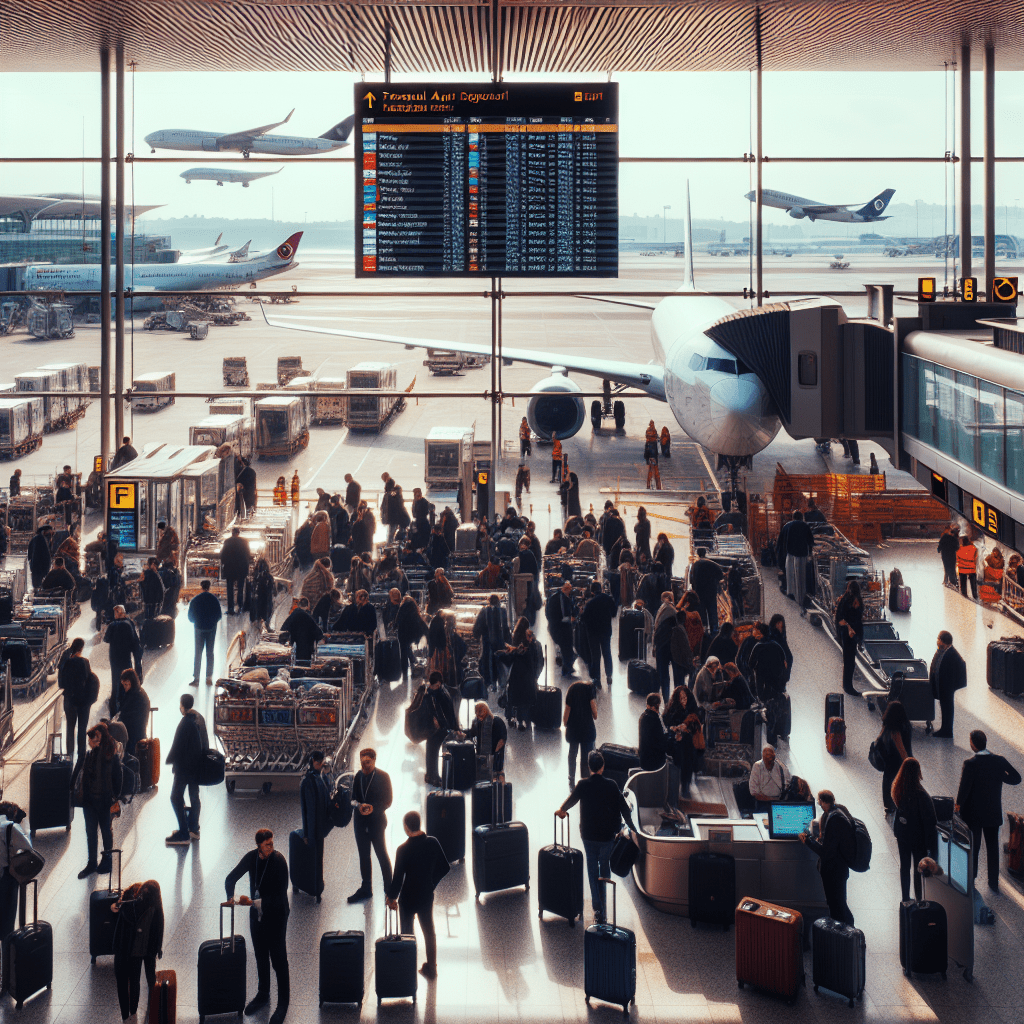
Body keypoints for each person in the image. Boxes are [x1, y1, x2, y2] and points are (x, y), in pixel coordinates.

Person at [556, 750, 637, 924]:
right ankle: (604, 906)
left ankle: (598, 910)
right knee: (604, 869)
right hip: (607, 836)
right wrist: (632, 829)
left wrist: (562, 810)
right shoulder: (612, 785)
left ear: (589, 767)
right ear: (603, 766)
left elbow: (571, 800)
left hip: (588, 835)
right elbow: (624, 808)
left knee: (592, 871)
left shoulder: (583, 784)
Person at [225, 829, 290, 1024]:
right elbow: (231, 877)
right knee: (261, 955)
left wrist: (253, 903)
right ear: (259, 846)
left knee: (278, 959)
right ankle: (263, 992)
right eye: (267, 844)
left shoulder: (279, 862)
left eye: (272, 843)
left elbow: (280, 898)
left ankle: (283, 1002)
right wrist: (230, 897)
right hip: (258, 916)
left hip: (277, 915)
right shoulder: (252, 858)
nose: (272, 846)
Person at [956, 729, 1023, 891]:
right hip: (993, 813)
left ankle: (972, 879)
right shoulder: (999, 760)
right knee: (993, 848)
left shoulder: (970, 763)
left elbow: (964, 789)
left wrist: (958, 806)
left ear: (973, 744)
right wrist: (1000, 776)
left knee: (975, 847)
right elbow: (1016, 778)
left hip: (974, 815)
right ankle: (993, 881)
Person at [387, 810, 450, 980]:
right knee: (429, 931)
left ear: (407, 828)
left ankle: (408, 969)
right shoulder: (433, 842)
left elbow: (398, 879)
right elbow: (445, 867)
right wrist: (431, 883)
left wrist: (391, 897)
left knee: (407, 933)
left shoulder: (403, 850)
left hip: (408, 898)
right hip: (425, 895)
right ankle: (431, 968)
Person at [111, 879, 164, 1023]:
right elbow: (159, 926)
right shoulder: (149, 907)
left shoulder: (129, 906)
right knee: (133, 982)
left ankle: (127, 1018)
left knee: (123, 984)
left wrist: (116, 905)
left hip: (125, 950)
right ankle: (132, 1015)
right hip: (134, 951)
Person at [800, 789, 855, 926]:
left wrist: (808, 840)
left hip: (833, 871)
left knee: (836, 904)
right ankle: (848, 934)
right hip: (841, 868)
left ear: (822, 801)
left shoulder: (833, 819)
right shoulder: (840, 811)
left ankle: (846, 934)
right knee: (839, 902)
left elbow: (826, 852)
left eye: (819, 801)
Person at [347, 747, 393, 903]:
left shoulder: (383, 777)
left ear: (374, 760)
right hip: (360, 822)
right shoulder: (358, 776)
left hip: (377, 822)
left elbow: (388, 801)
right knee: (364, 856)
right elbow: (353, 798)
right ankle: (366, 888)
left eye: (367, 762)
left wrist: (374, 808)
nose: (364, 765)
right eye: (362, 762)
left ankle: (389, 889)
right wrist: (358, 806)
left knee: (381, 854)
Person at [77, 722, 123, 878]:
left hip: (104, 802)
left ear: (100, 738)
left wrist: (113, 797)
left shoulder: (112, 756)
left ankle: (107, 859)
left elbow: (118, 780)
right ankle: (91, 863)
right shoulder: (89, 755)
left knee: (105, 831)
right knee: (91, 832)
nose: (89, 741)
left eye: (93, 738)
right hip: (89, 802)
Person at [891, 758, 937, 902]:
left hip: (903, 835)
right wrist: (932, 844)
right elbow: (930, 821)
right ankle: (919, 898)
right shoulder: (922, 795)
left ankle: (905, 897)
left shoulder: (898, 790)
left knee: (904, 867)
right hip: (918, 838)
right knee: (919, 868)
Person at [165, 692, 208, 846]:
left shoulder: (185, 723)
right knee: (194, 795)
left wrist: (170, 760)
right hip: (196, 765)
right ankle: (194, 828)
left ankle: (184, 832)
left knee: (176, 797)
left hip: (185, 767)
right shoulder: (199, 718)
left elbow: (178, 746)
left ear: (183, 706)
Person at [501, 618, 544, 730]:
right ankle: (526, 719)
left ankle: (516, 720)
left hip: (516, 672)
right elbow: (534, 656)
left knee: (517, 697)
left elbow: (511, 656)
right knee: (526, 698)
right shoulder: (530, 640)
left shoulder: (514, 639)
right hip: (527, 672)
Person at [59, 638, 97, 764]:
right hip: (83, 702)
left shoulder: (65, 662)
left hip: (69, 701)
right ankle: (81, 757)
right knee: (82, 728)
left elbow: (61, 683)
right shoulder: (84, 662)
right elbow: (88, 679)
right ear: (81, 648)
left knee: (70, 727)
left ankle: (69, 756)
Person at [300, 751, 331, 901]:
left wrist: (327, 773)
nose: (320, 766)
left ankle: (317, 887)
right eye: (318, 764)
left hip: (319, 828)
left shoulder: (320, 778)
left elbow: (329, 792)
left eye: (322, 763)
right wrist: (306, 834)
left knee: (318, 858)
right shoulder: (308, 782)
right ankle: (314, 887)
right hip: (314, 829)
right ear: (313, 762)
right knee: (314, 859)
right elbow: (306, 811)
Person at [0, 802, 30, 946]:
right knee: (7, 921)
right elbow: (28, 848)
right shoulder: (11, 828)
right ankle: (6, 960)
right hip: (5, 880)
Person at [875, 700, 912, 814]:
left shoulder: (891, 727)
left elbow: (879, 740)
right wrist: (909, 761)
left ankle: (890, 805)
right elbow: (903, 748)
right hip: (904, 758)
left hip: (893, 761)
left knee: (889, 782)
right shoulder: (906, 725)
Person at [104, 605, 143, 715]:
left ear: (117, 613)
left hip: (115, 659)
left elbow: (106, 639)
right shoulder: (129, 623)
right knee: (125, 680)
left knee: (116, 681)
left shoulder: (112, 625)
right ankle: (124, 705)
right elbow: (134, 641)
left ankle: (114, 709)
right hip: (126, 657)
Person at [929, 630, 967, 738]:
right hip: (943, 687)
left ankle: (947, 731)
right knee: (944, 708)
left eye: (938, 639)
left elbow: (961, 666)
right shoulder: (944, 651)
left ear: (942, 641)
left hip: (947, 687)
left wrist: (954, 685)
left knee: (947, 709)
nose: (937, 641)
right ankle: (944, 729)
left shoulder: (951, 653)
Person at [422, 671, 456, 786]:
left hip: (440, 728)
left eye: (435, 685)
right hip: (435, 727)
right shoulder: (437, 692)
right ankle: (432, 775)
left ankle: (432, 775)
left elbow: (450, 712)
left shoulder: (441, 694)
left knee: (433, 750)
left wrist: (452, 726)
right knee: (431, 750)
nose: (433, 687)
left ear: (440, 683)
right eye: (432, 685)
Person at [564, 676, 598, 790]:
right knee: (586, 755)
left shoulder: (571, 689)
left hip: (573, 729)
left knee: (572, 753)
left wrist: (565, 723)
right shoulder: (590, 689)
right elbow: (594, 709)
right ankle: (585, 778)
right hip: (587, 728)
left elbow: (567, 708)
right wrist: (594, 715)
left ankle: (571, 779)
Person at [187, 578, 222, 686]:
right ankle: (209, 678)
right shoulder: (214, 599)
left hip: (199, 629)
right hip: (211, 629)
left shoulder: (195, 600)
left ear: (201, 587)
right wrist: (212, 623)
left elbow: (190, 617)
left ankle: (196, 679)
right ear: (209, 587)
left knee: (198, 653)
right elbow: (219, 615)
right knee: (210, 653)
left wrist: (196, 622)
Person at [474, 593, 512, 691]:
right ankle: (501, 685)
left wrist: (477, 636)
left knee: (489, 664)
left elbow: (477, 628)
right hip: (500, 643)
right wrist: (509, 643)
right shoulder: (502, 611)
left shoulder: (484, 611)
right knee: (499, 664)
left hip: (488, 644)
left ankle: (492, 684)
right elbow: (506, 629)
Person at [580, 581, 616, 686]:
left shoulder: (590, 603)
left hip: (593, 633)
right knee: (607, 653)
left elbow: (583, 618)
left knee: (595, 655)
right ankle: (609, 675)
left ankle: (597, 679)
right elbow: (614, 613)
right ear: (602, 589)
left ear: (592, 592)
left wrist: (581, 612)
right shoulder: (608, 599)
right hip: (606, 631)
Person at [460, 701, 508, 776]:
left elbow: (502, 738)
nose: (477, 715)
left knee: (497, 774)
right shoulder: (477, 722)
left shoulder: (497, 721)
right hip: (482, 755)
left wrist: (496, 751)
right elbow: (472, 733)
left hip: (495, 755)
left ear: (486, 710)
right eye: (476, 712)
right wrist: (463, 733)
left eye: (480, 712)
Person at [780, 510, 814, 614]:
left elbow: (781, 542)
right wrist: (810, 554)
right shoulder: (805, 526)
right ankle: (801, 600)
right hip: (801, 555)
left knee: (790, 576)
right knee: (800, 579)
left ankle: (791, 594)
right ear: (801, 517)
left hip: (790, 555)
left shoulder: (787, 525)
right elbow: (810, 542)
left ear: (793, 517)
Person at [835, 580, 864, 696]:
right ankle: (848, 686)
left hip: (847, 634)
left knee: (849, 661)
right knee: (849, 661)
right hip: (850, 635)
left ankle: (847, 685)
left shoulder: (845, 600)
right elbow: (856, 617)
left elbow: (839, 618)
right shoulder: (851, 600)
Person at [688, 548, 724, 635]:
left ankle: (703, 632)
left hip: (699, 593)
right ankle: (714, 631)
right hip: (711, 593)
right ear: (705, 553)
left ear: (697, 554)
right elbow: (721, 575)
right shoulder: (712, 564)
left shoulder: (694, 565)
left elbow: (691, 580)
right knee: (712, 612)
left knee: (702, 613)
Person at [747, 620, 786, 700]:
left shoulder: (758, 646)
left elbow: (751, 664)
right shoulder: (776, 645)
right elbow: (784, 661)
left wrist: (753, 670)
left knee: (762, 696)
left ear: (760, 633)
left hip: (762, 675)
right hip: (775, 675)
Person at [546, 580, 577, 678]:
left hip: (554, 626)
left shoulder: (552, 598)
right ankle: (567, 668)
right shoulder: (565, 599)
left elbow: (547, 613)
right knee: (567, 647)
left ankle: (566, 666)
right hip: (563, 627)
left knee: (563, 647)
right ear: (566, 589)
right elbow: (568, 614)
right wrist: (576, 611)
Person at [117, 668, 150, 758]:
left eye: (126, 685)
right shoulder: (136, 692)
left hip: (135, 733)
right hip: (136, 730)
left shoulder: (136, 695)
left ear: (132, 682)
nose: (125, 687)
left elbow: (128, 715)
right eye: (123, 685)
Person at [395, 594, 428, 682]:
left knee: (403, 652)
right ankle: (413, 664)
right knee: (408, 649)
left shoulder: (402, 609)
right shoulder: (414, 611)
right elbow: (422, 624)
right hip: (412, 635)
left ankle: (405, 672)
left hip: (402, 634)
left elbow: (397, 620)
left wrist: (394, 627)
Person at [280, 597, 324, 662]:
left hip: (295, 650)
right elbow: (318, 633)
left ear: (298, 605)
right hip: (307, 650)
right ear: (308, 606)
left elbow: (283, 630)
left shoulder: (293, 616)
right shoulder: (308, 617)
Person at [220, 526, 252, 615]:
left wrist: (224, 563)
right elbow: (248, 555)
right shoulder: (245, 542)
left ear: (232, 533)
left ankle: (231, 609)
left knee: (230, 589)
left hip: (230, 569)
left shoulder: (227, 542)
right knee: (241, 589)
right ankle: (240, 607)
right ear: (239, 533)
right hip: (241, 569)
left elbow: (222, 556)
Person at [638, 692, 671, 772]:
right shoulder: (655, 719)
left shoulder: (642, 716)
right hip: (655, 762)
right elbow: (661, 742)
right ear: (657, 705)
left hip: (644, 759)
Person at [27, 524, 52, 590]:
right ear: (45, 531)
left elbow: (29, 553)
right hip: (39, 567)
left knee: (37, 584)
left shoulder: (37, 538)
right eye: (49, 531)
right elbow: (44, 554)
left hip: (36, 567)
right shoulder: (40, 539)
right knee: (38, 585)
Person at [937, 525, 960, 589]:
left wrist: (939, 550)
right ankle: (953, 582)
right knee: (952, 568)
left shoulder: (944, 537)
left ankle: (947, 580)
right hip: (952, 555)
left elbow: (940, 545)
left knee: (946, 567)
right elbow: (957, 548)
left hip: (944, 555)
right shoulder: (954, 539)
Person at [957, 534, 979, 599]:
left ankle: (964, 594)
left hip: (962, 568)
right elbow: (976, 558)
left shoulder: (960, 549)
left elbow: (957, 558)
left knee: (963, 582)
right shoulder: (974, 548)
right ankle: (975, 595)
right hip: (971, 568)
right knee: (973, 583)